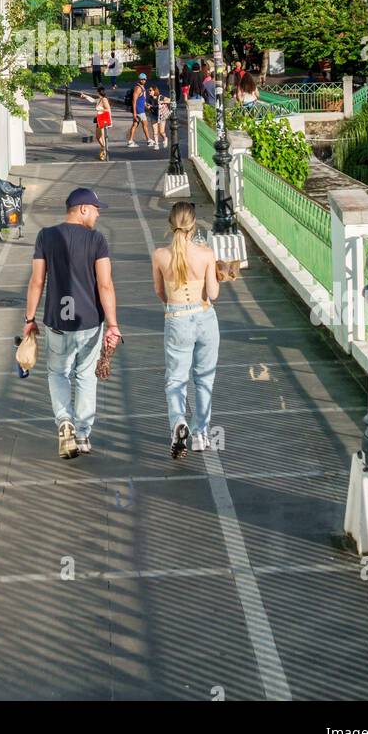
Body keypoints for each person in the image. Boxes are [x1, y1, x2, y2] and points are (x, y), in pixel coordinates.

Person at [24, 188, 121, 458]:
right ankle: (83, 434)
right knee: (85, 376)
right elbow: (105, 284)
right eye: (95, 208)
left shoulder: (46, 236)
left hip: (57, 321)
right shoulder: (97, 240)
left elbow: (37, 281)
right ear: (82, 209)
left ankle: (64, 420)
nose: (98, 213)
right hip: (89, 323)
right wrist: (112, 324)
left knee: (58, 373)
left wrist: (29, 319)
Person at [151, 201, 221, 457]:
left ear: (171, 226)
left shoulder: (160, 255)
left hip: (177, 317)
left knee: (176, 379)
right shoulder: (205, 254)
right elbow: (213, 293)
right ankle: (201, 434)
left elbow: (160, 292)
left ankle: (178, 423)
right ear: (194, 226)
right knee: (204, 378)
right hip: (204, 317)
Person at [79, 86, 112, 160]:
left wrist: (100, 110)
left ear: (98, 92)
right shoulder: (100, 99)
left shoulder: (104, 99)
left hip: (103, 119)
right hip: (99, 119)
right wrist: (85, 96)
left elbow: (108, 109)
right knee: (97, 136)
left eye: (96, 91)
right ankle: (103, 147)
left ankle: (104, 151)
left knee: (102, 136)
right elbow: (93, 100)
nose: (96, 92)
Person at [127, 73, 155, 148]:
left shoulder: (142, 87)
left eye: (144, 79)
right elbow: (134, 101)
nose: (143, 80)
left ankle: (130, 141)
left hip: (140, 109)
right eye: (142, 79)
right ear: (139, 79)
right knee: (145, 125)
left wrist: (147, 105)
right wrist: (135, 113)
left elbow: (142, 99)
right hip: (139, 110)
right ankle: (148, 140)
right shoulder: (138, 88)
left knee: (135, 125)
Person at [147, 84, 162, 149]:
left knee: (161, 131)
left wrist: (163, 103)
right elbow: (148, 106)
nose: (149, 92)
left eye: (150, 90)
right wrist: (147, 107)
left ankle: (165, 138)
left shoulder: (160, 97)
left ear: (154, 91)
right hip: (153, 115)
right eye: (149, 90)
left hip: (160, 115)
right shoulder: (149, 99)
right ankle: (156, 144)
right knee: (154, 130)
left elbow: (169, 100)